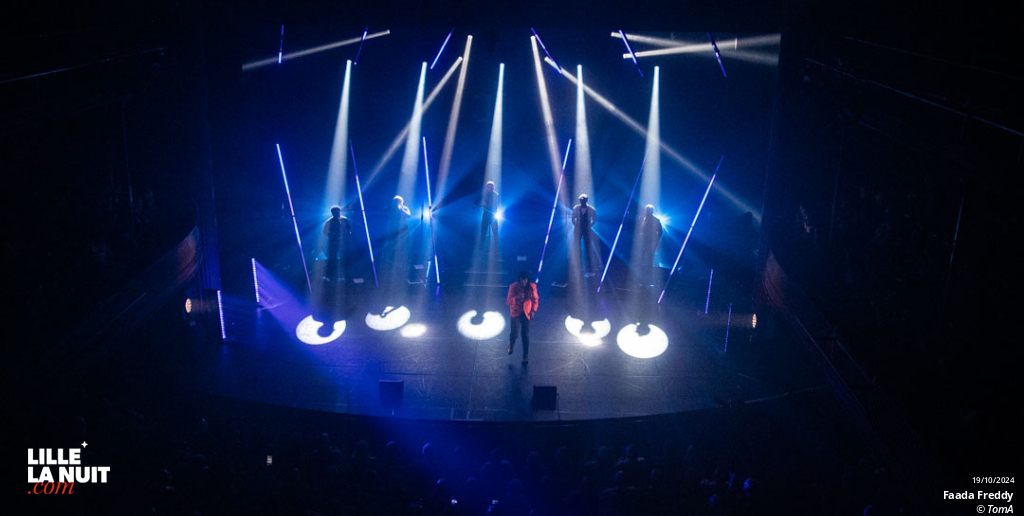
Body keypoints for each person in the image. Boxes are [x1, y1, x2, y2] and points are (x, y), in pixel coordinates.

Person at [506, 271, 538, 364]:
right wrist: (516, 298)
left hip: (526, 313)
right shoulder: (513, 287)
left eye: (525, 280)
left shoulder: (532, 287)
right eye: (521, 280)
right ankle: (511, 345)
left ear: (527, 280)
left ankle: (525, 355)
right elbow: (508, 301)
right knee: (514, 333)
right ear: (519, 280)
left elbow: (535, 300)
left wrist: (533, 311)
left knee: (525, 335)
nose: (523, 282)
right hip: (515, 312)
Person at [571, 194, 600, 274]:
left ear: (586, 200)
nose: (582, 201)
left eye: (583, 200)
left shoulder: (591, 209)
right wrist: (576, 225)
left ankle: (589, 266)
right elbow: (573, 218)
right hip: (578, 230)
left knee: (588, 247)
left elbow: (594, 219)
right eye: (581, 200)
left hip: (587, 230)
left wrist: (589, 225)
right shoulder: (576, 208)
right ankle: (577, 266)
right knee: (577, 247)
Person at [322, 205, 352, 281]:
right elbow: (325, 231)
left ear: (339, 211)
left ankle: (346, 274)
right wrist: (331, 235)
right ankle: (331, 275)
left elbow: (350, 229)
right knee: (332, 258)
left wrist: (347, 233)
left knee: (344, 257)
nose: (336, 214)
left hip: (343, 242)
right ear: (332, 213)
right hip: (333, 242)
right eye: (334, 212)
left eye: (337, 212)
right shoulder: (329, 221)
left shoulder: (345, 219)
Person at [636, 205, 663, 286]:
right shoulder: (642, 219)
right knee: (641, 258)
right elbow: (637, 229)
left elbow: (660, 231)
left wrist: (656, 239)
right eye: (646, 210)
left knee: (650, 259)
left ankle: (648, 277)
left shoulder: (656, 220)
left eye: (648, 210)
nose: (647, 212)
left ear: (651, 211)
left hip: (651, 242)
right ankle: (639, 276)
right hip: (643, 241)